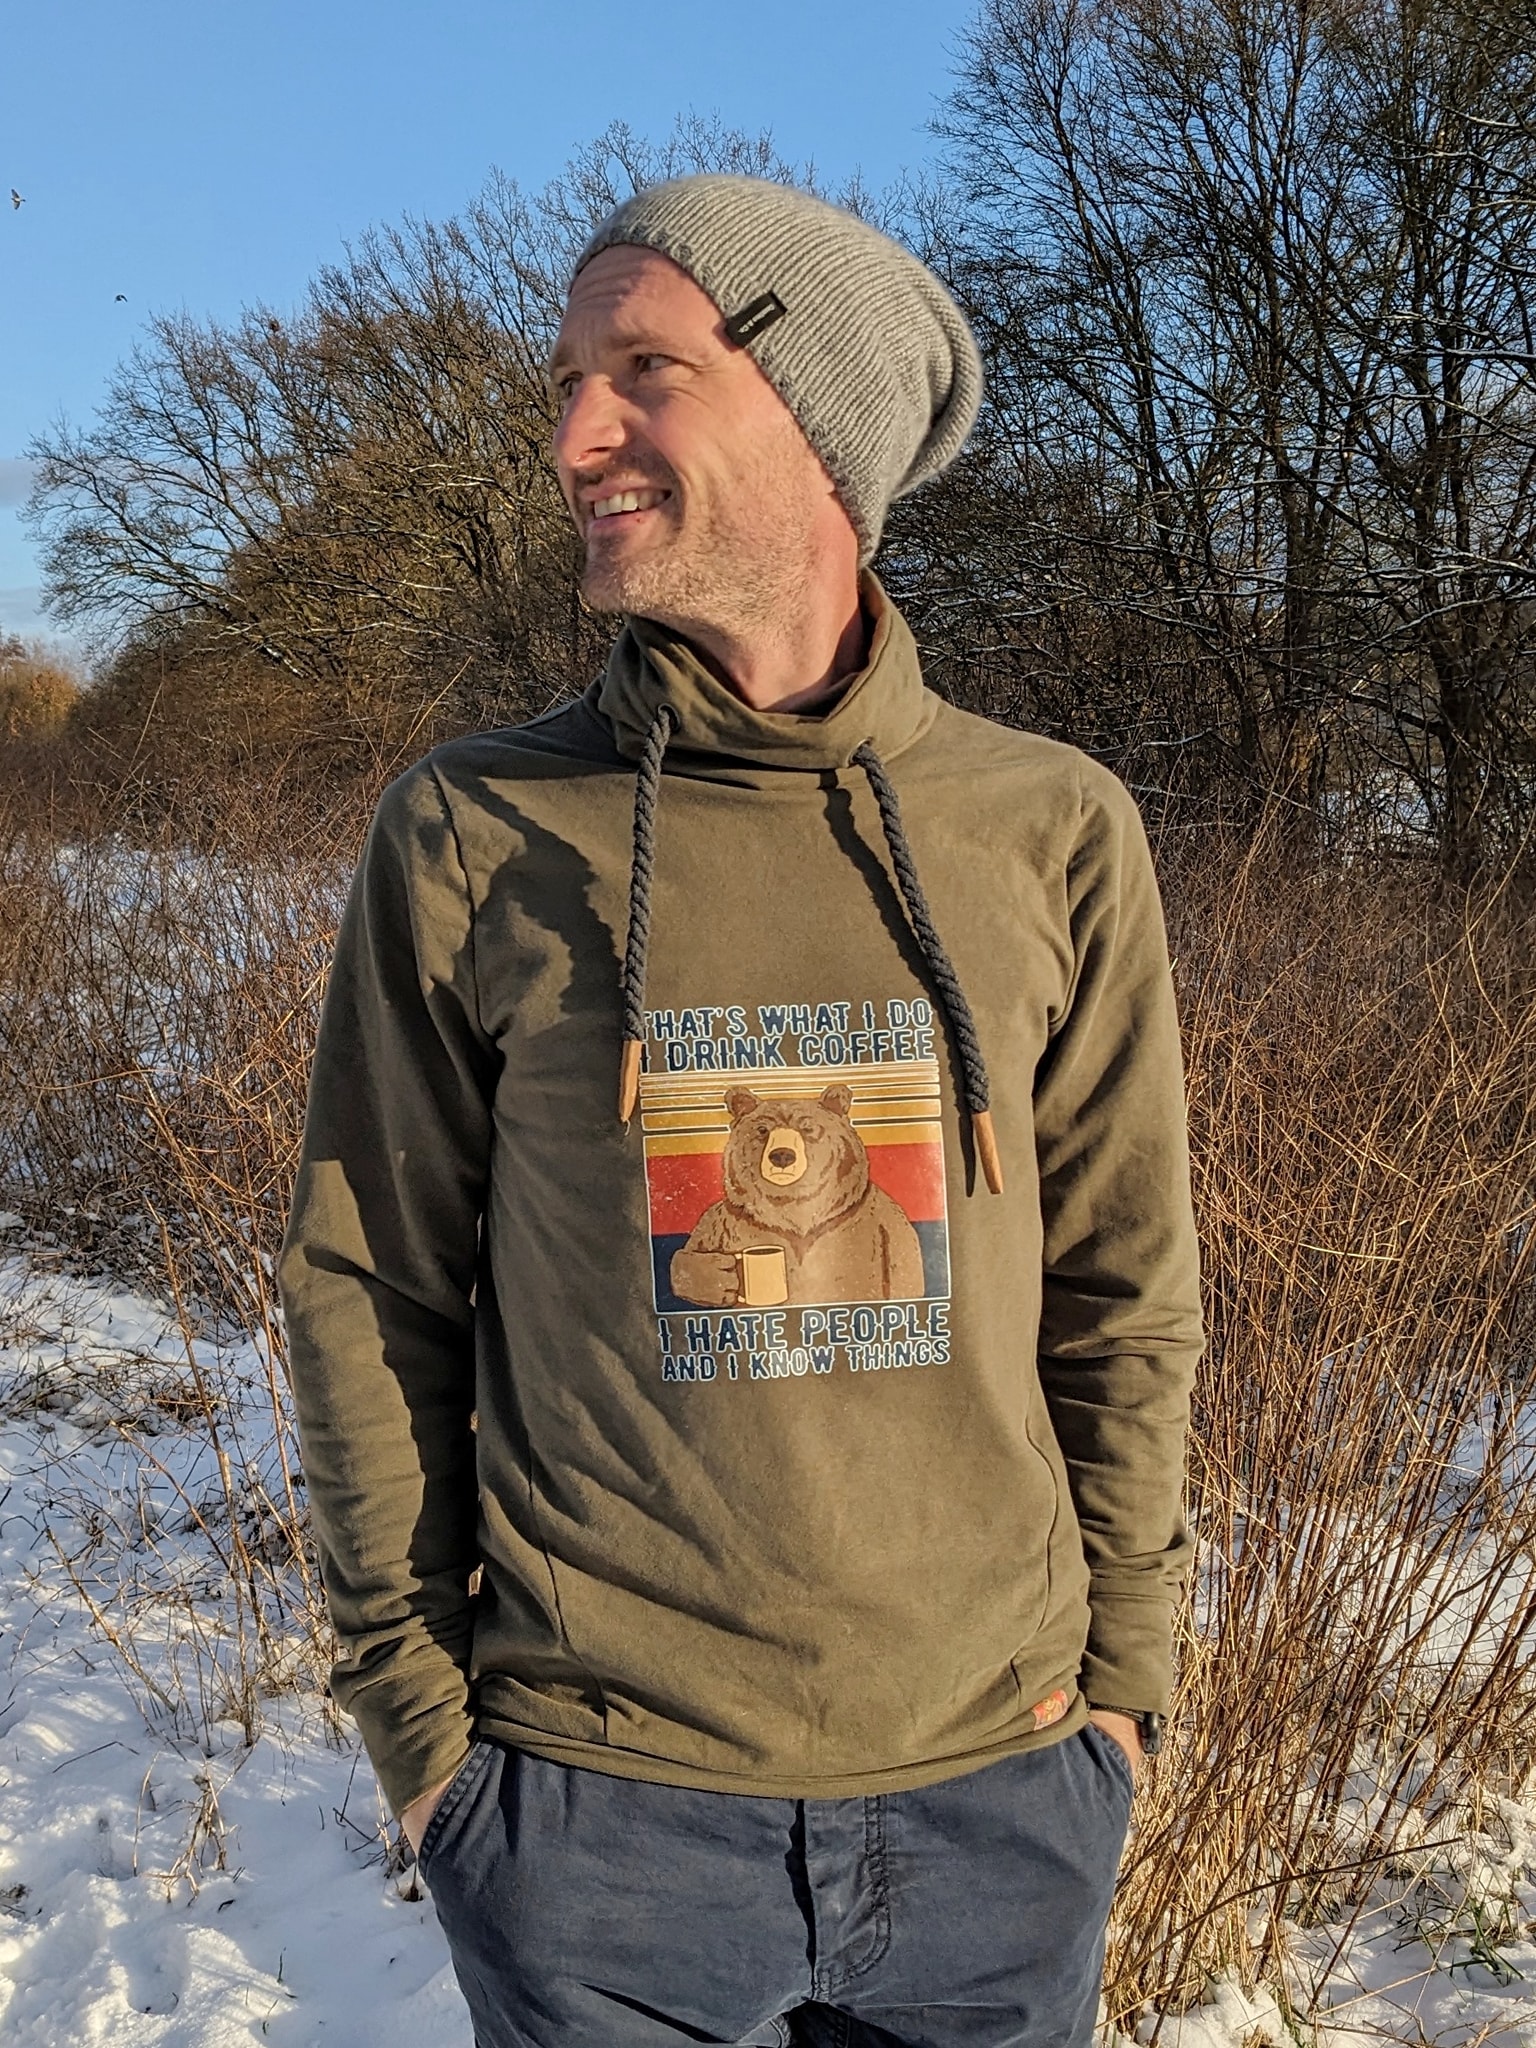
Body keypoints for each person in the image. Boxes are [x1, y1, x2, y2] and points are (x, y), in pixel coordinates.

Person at [279, 173, 1203, 2048]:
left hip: (1001, 1800)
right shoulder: (474, 829)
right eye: (567, 382)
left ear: (817, 412)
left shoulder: (1050, 829)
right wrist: (427, 1739)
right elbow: (366, 1284)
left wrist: (1122, 1693)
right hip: (595, 1819)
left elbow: (1127, 1292)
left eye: (644, 368)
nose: (574, 436)